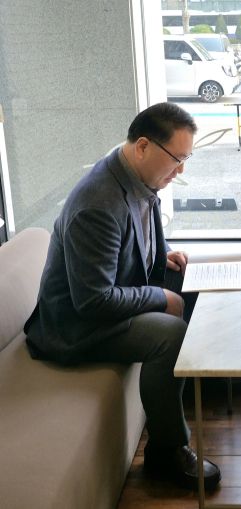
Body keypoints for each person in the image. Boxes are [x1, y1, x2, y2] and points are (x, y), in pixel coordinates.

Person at [23, 102, 221, 491]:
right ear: (143, 146)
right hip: (76, 327)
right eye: (177, 159)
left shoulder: (135, 175)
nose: (181, 170)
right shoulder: (97, 204)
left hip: (110, 296)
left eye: (186, 159)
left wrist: (162, 256)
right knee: (170, 335)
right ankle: (166, 451)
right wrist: (160, 297)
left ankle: (192, 390)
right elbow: (93, 301)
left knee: (197, 285)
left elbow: (130, 240)